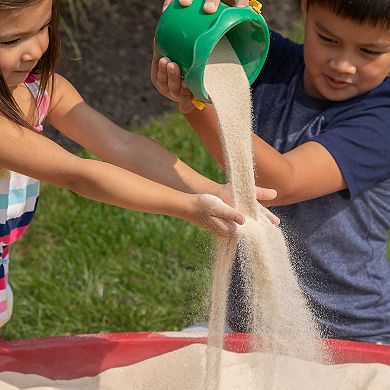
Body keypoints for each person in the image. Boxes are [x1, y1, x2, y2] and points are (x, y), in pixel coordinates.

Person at [0, 0, 280, 330]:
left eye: (42, 27)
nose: (34, 50)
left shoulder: (42, 91)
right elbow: (79, 174)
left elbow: (124, 146)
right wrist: (188, 207)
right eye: (10, 40)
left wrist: (214, 191)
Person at [153, 0, 390, 344]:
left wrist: (193, 103)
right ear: (305, 9)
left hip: (348, 333)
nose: (343, 64)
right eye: (328, 39)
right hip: (246, 320)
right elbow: (186, 39)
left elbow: (281, 182)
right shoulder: (265, 56)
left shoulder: (382, 118)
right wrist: (196, 16)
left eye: (369, 51)